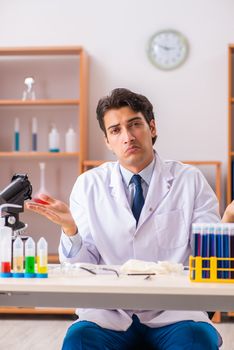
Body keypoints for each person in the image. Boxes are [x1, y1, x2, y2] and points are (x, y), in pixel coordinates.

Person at [27, 88, 232, 349]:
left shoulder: (189, 180)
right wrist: (70, 229)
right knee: (78, 341)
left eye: (134, 124)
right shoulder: (89, 185)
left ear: (152, 127)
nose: (127, 136)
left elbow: (210, 258)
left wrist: (228, 218)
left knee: (196, 340)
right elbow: (80, 268)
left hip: (175, 312)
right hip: (109, 313)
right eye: (115, 130)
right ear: (107, 141)